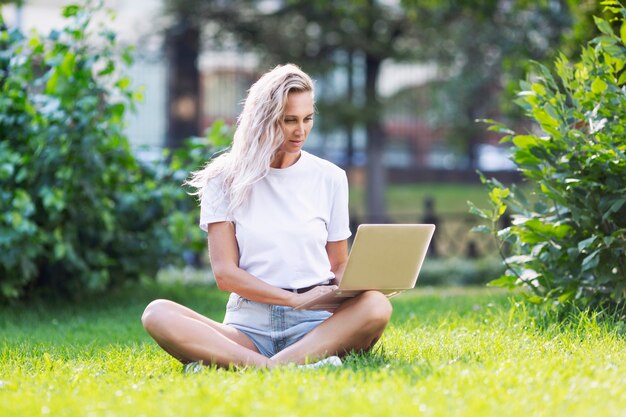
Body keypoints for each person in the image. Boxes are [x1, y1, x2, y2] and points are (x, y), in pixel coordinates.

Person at [141, 64, 392, 369]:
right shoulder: (223, 178)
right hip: (248, 326)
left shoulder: (330, 177)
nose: (301, 130)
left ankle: (251, 366)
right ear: (265, 119)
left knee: (377, 305)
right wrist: (290, 300)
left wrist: (357, 285)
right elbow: (225, 274)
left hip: (313, 324)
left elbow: (337, 264)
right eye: (289, 121)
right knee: (157, 313)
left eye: (307, 119)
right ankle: (283, 367)